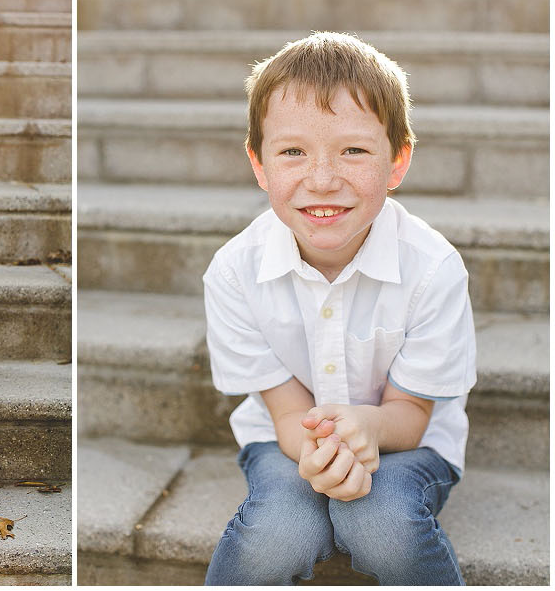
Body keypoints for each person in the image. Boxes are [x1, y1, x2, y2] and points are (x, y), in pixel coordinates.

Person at [203, 31, 475, 586]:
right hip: (288, 438)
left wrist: (366, 429)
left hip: (408, 438)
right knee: (277, 533)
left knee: (382, 522)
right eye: (293, 152)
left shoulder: (433, 269)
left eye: (353, 150)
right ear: (259, 164)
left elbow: (412, 415)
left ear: (397, 162)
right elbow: (284, 413)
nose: (322, 180)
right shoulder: (235, 271)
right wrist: (323, 453)